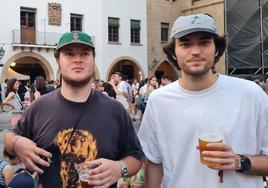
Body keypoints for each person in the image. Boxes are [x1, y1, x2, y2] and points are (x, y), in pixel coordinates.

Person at [138, 13, 268, 188]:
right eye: (185, 44)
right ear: (174, 53)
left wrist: (239, 161)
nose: (196, 51)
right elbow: (153, 162)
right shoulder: (159, 100)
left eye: (205, 42)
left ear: (216, 49)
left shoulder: (250, 94)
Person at [4, 31, 143, 188]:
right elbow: (9, 139)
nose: (77, 59)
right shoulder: (39, 107)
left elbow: (136, 157)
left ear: (93, 59)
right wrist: (16, 142)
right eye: (69, 54)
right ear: (58, 60)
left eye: (84, 53)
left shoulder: (115, 110)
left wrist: (120, 168)